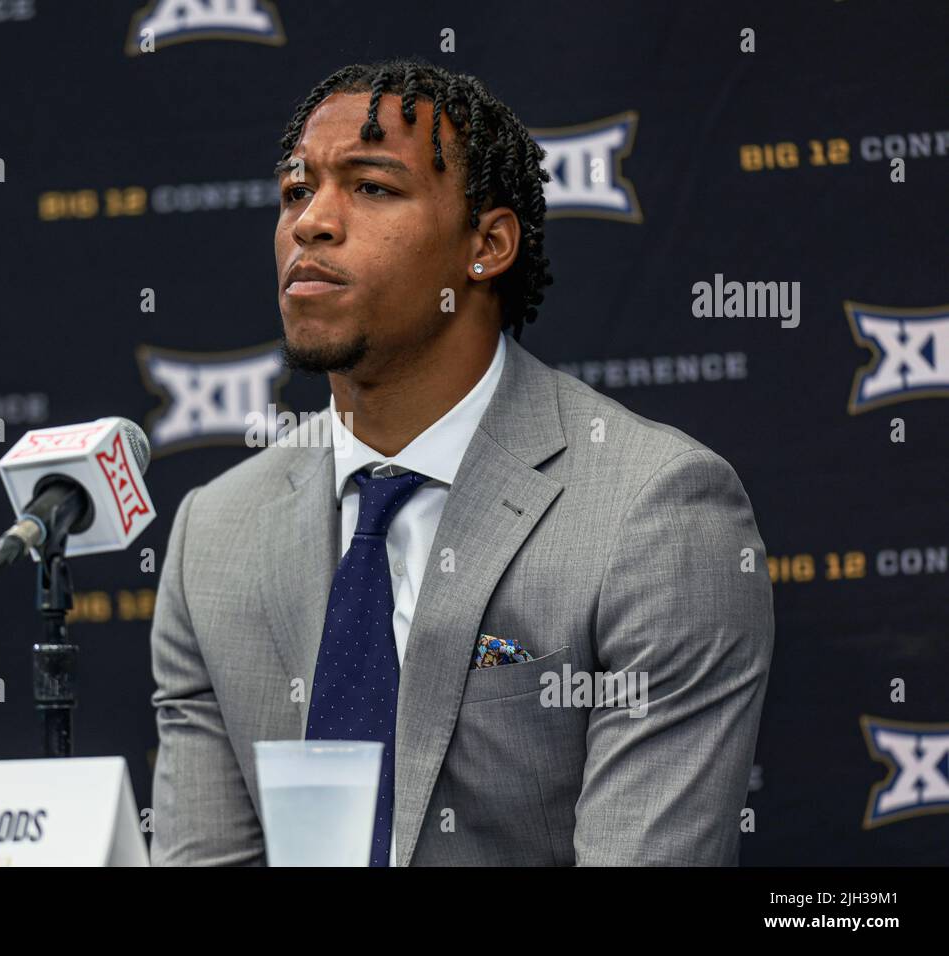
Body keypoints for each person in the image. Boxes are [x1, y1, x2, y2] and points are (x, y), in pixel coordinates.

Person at [148, 57, 773, 866]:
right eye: (297, 191)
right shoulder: (214, 535)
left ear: (487, 245)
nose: (311, 223)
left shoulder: (654, 512)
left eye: (371, 187)